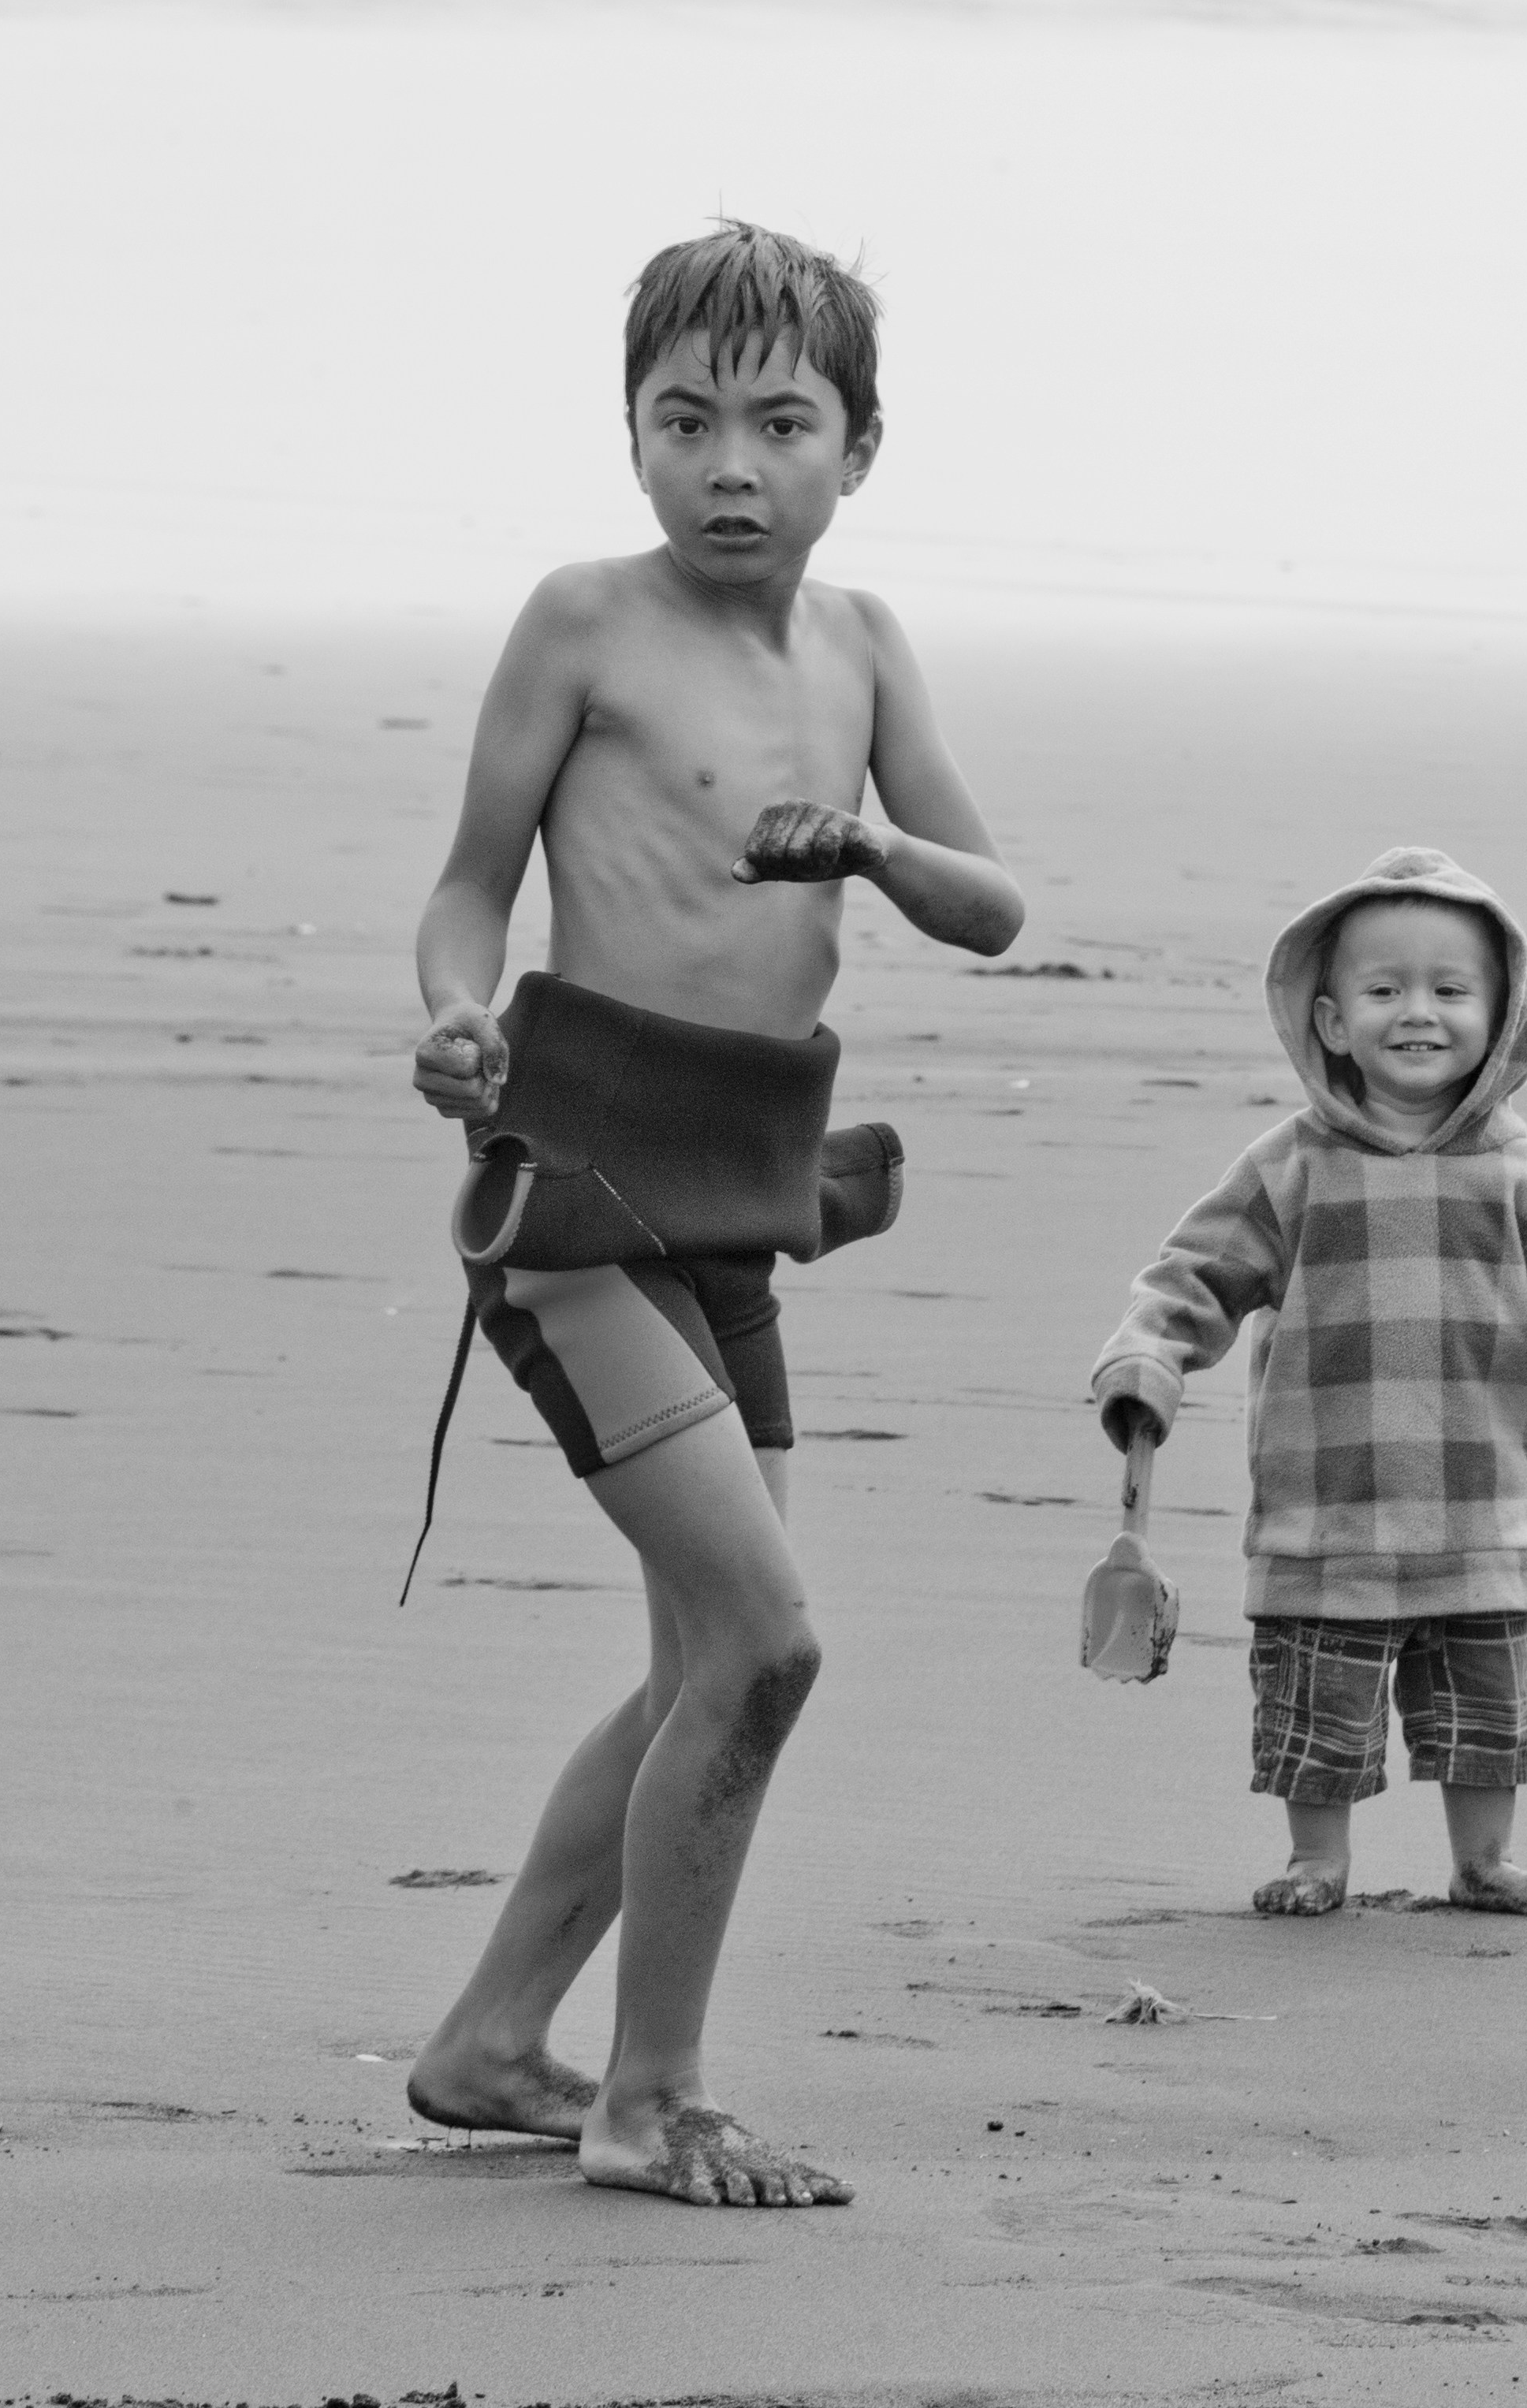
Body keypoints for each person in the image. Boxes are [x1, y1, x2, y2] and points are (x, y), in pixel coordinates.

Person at [400, 221, 1022, 2207]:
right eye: (686, 422)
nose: (729, 464)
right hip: (572, 1183)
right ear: (634, 434)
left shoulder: (863, 651)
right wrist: (447, 1017)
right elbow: (470, 887)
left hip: (741, 1193)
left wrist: (871, 839)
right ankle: (649, 2096)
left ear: (860, 447)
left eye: (779, 422)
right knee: (766, 1643)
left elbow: (991, 906)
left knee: (698, 1669)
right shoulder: (582, 620)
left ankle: (496, 2038)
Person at [1089, 848, 1527, 1921]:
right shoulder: (1291, 1165)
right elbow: (1194, 1277)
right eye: (1385, 989)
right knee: (1319, 1705)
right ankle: (1320, 1861)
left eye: (1452, 991)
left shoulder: (1520, 1171)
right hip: (1329, 1508)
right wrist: (1148, 1361)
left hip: (1478, 1506)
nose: (1420, 1012)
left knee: (1486, 1710)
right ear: (1327, 1019)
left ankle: (1484, 1860)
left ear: (1502, 1018)